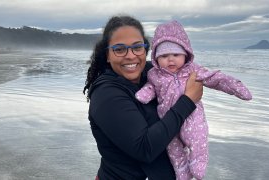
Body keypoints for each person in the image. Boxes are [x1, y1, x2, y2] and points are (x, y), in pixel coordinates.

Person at [83, 15, 203, 180]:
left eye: (137, 47)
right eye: (119, 49)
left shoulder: (152, 73)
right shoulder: (106, 94)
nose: (131, 56)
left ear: (146, 50)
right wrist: (188, 101)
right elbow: (145, 148)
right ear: (107, 55)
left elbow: (185, 72)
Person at [135, 20, 252, 180]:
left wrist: (236, 87)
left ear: (185, 54)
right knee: (172, 148)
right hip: (167, 119)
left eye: (175, 55)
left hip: (193, 117)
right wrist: (144, 94)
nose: (170, 60)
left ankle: (198, 162)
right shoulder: (155, 75)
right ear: (156, 58)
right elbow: (151, 87)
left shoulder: (193, 70)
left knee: (197, 140)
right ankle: (182, 169)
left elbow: (215, 78)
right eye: (164, 56)